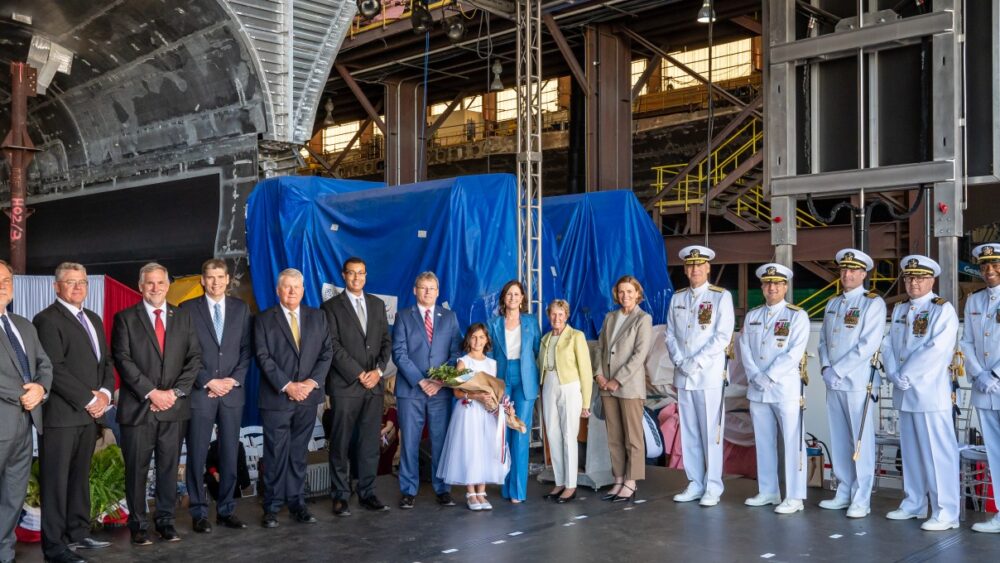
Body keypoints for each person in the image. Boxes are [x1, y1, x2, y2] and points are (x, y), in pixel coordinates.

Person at [112, 262, 201, 545]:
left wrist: (174, 394)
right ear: (140, 286)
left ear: (167, 284)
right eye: (149, 283)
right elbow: (122, 360)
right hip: (139, 409)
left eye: (160, 282)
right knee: (136, 470)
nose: (155, 288)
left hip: (174, 409)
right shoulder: (125, 318)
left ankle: (165, 521)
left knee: (168, 467)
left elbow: (194, 358)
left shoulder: (183, 316)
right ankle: (138, 524)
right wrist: (152, 393)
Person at [34, 263, 114, 563]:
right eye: (70, 282)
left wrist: (105, 394)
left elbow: (105, 361)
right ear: (57, 287)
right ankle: (54, 546)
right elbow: (54, 367)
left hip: (88, 416)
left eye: (82, 282)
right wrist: (87, 398)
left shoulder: (92, 318)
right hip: (61, 417)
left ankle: (77, 533)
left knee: (79, 477)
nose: (78, 287)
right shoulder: (46, 320)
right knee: (55, 482)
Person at [882, 255, 960, 531]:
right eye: (909, 278)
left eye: (920, 278)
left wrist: (907, 373)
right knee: (912, 451)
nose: (913, 282)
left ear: (932, 280)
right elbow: (889, 344)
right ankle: (914, 502)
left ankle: (946, 511)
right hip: (904, 391)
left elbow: (938, 349)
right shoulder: (901, 309)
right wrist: (892, 372)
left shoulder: (942, 309)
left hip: (930, 393)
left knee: (938, 454)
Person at [255, 268, 332, 528]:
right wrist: (288, 386)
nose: (291, 291)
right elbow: (263, 358)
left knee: (299, 453)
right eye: (286, 287)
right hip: (277, 399)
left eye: (296, 287)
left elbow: (326, 353)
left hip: (307, 398)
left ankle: (298, 503)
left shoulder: (318, 317)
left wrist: (309, 384)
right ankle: (272, 507)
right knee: (275, 453)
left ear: (303, 290)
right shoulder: (264, 319)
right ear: (278, 290)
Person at [180, 259, 252, 533]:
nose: (216, 282)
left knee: (229, 453)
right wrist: (207, 381)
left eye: (220, 277)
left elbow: (247, 350)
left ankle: (226, 510)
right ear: (202, 280)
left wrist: (232, 381)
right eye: (210, 277)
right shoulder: (187, 309)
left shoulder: (241, 309)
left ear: (227, 279)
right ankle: (199, 512)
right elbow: (184, 352)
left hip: (231, 393)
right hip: (201, 393)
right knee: (197, 453)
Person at [817, 249, 886, 519]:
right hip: (833, 381)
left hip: (858, 382)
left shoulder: (872, 303)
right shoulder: (833, 304)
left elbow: (868, 344)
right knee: (839, 438)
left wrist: (839, 370)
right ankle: (844, 489)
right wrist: (825, 367)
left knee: (861, 441)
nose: (847, 274)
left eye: (853, 270)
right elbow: (823, 341)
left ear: (864, 274)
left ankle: (861, 497)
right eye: (844, 270)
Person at [322, 257, 392, 516]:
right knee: (340, 443)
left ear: (366, 275)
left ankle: (367, 492)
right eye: (351, 273)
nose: (356, 278)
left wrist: (378, 371)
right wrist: (360, 373)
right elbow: (332, 345)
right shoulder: (331, 307)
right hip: (345, 386)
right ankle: (340, 495)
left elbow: (386, 341)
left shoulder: (376, 304)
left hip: (374, 387)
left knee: (369, 443)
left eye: (361, 273)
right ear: (343, 275)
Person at [666, 246, 735, 507]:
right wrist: (680, 360)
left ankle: (713, 486)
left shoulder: (720, 297)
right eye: (690, 265)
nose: (695, 269)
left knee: (711, 432)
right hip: (684, 374)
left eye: (700, 265)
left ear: (708, 268)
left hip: (707, 375)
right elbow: (670, 335)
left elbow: (722, 336)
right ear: (685, 269)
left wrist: (696, 362)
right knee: (691, 432)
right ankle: (695, 482)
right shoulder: (678, 298)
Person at [740, 263, 809, 514]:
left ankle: (795, 496)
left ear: (785, 286)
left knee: (792, 443)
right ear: (762, 286)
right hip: (758, 388)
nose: (772, 287)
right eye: (768, 283)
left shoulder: (796, 315)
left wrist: (768, 376)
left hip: (785, 388)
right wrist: (756, 376)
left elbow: (794, 352)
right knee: (764, 441)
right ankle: (768, 490)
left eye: (777, 283)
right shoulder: (753, 315)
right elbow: (744, 348)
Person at [392, 271, 463, 509]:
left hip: (440, 392)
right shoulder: (403, 316)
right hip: (411, 391)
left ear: (438, 291)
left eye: (432, 288)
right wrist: (421, 381)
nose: (427, 292)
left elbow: (455, 354)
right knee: (409, 443)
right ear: (415, 290)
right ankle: (408, 490)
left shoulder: (450, 318)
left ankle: (442, 488)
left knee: (440, 442)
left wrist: (440, 382)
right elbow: (399, 353)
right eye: (423, 288)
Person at [0, 259, 53, 563]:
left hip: (25, 427)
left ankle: (4, 554)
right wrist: (24, 393)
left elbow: (43, 364)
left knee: (12, 497)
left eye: (7, 279)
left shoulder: (23, 325)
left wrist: (41, 389)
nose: (2, 285)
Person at [437, 324, 511, 510]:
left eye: (481, 337)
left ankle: (482, 492)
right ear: (468, 340)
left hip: (486, 413)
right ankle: (471, 493)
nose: (477, 341)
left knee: (485, 448)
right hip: (469, 412)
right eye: (474, 337)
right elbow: (457, 393)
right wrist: (475, 396)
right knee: (470, 449)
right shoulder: (464, 362)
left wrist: (499, 405)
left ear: (487, 340)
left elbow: (495, 391)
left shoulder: (492, 364)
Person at [594, 275, 653, 503]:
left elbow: (640, 354)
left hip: (628, 386)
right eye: (621, 292)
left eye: (629, 291)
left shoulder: (643, 319)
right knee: (614, 436)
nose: (625, 296)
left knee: (633, 437)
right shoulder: (610, 317)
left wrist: (617, 380)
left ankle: (631, 481)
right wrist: (599, 374)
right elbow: (600, 347)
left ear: (638, 293)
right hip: (606, 385)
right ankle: (618, 478)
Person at [486, 280, 540, 504]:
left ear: (522, 299)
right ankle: (506, 486)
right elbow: (489, 354)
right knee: (504, 434)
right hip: (502, 379)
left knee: (520, 432)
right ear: (503, 298)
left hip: (525, 379)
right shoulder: (494, 323)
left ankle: (518, 490)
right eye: (509, 294)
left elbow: (537, 350)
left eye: (517, 294)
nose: (513, 298)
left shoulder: (530, 322)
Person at [962, 243, 1000, 533]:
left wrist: (995, 374)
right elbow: (966, 342)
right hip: (984, 389)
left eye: (995, 264)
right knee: (995, 453)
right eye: (984, 265)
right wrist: (979, 374)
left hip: (996, 382)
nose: (989, 270)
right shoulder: (974, 301)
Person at [539, 299, 592, 504]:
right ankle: (559, 481)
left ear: (567, 315)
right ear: (548, 315)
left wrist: (586, 402)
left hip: (570, 387)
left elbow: (586, 371)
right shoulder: (545, 339)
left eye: (560, 314)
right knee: (552, 434)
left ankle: (571, 485)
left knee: (569, 435)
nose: (556, 318)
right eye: (553, 314)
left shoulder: (576, 336)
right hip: (549, 385)